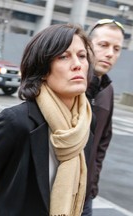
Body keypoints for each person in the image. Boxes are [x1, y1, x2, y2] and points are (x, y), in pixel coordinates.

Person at [0, 23, 95, 216]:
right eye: (63, 56)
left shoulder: (83, 125)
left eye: (82, 56)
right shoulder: (15, 122)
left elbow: (82, 197)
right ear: (42, 68)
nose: (77, 64)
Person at [82, 19, 125, 216]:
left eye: (117, 49)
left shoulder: (107, 89)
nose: (110, 53)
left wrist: (92, 181)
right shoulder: (68, 81)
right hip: (50, 190)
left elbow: (103, 141)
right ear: (87, 45)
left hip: (84, 196)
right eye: (103, 45)